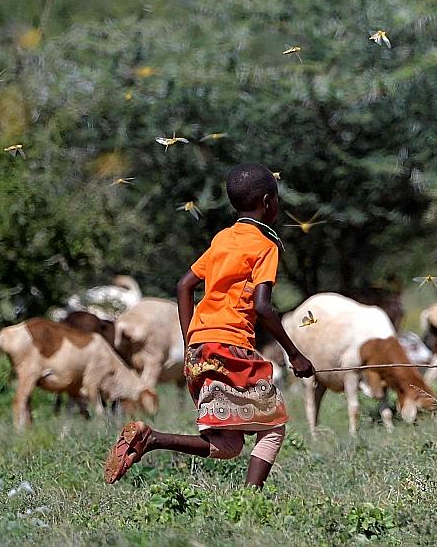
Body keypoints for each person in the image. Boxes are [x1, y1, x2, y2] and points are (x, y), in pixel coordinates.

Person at [103, 163, 315, 487]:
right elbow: (262, 306)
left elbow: (184, 285)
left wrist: (191, 344)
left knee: (229, 445)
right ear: (269, 201)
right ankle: (251, 501)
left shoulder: (223, 239)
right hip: (231, 348)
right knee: (272, 427)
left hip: (202, 350)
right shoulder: (264, 246)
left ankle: (151, 439)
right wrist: (295, 355)